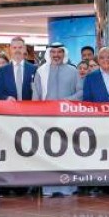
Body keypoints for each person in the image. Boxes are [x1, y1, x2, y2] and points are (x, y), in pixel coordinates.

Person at [36, 43, 81, 196]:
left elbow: (80, 92)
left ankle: (68, 188)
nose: (56, 55)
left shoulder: (73, 71)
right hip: (46, 120)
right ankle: (49, 188)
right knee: (48, 153)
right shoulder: (41, 71)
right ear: (49, 54)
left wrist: (66, 101)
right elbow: (36, 96)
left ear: (64, 54)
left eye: (59, 52)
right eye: (53, 52)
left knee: (68, 153)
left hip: (67, 119)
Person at [0, 36, 36, 101]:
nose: (17, 50)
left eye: (20, 47)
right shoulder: (2, 71)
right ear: (10, 49)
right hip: (10, 106)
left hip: (29, 106)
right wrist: (7, 98)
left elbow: (37, 92)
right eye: (14, 48)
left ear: (24, 49)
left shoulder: (34, 69)